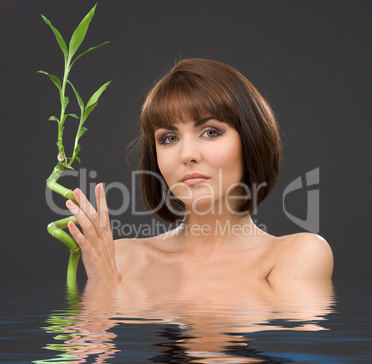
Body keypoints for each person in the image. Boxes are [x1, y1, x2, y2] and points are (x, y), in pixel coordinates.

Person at [65, 58, 333, 284]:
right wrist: (103, 287)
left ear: (250, 139)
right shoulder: (121, 259)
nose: (188, 155)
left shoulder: (300, 255)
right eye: (169, 138)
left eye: (210, 132)